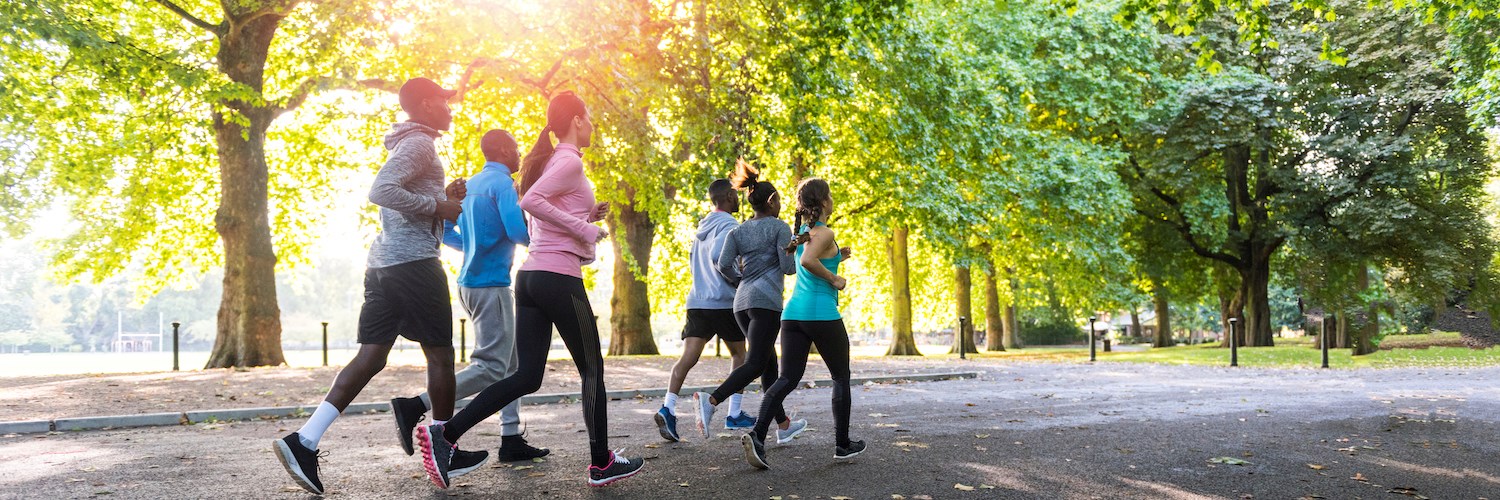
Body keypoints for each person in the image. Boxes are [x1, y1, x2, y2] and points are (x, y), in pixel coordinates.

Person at [416, 91, 644, 488]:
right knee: (592, 369)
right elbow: (533, 201)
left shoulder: (554, 161)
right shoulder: (568, 160)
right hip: (558, 278)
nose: (591, 125)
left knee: (527, 376)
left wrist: (585, 214)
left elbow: (540, 216)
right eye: (588, 117)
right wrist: (585, 228)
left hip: (532, 277)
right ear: (575, 120)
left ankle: (445, 434)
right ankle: (601, 463)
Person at [273, 78, 486, 495]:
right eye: (444, 101)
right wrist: (437, 205)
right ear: (425, 104)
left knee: (371, 357)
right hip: (414, 266)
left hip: (383, 265)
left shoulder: (410, 143)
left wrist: (442, 196)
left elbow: (406, 202)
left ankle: (304, 440)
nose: (450, 108)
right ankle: (444, 446)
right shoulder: (420, 144)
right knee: (441, 356)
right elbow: (381, 191)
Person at [389, 129, 549, 463]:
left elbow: (448, 231)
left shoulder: (472, 184)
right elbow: (518, 231)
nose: (519, 155)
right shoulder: (503, 185)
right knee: (492, 367)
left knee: (513, 366)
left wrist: (476, 247)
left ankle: (511, 439)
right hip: (491, 285)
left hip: (469, 284)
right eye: (516, 149)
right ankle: (415, 405)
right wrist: (552, 243)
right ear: (504, 150)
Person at [742, 177, 865, 470]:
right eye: (831, 196)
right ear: (823, 202)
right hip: (821, 315)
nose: (832, 201)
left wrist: (838, 259)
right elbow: (810, 262)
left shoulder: (804, 234)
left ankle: (757, 436)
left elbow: (809, 262)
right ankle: (843, 445)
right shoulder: (822, 232)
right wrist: (835, 278)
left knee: (787, 379)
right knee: (840, 377)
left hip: (793, 316)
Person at [691, 160, 805, 442]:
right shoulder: (778, 227)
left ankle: (784, 424)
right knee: (756, 362)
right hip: (765, 303)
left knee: (768, 364)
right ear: (772, 200)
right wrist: (793, 247)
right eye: (778, 199)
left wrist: (740, 277)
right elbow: (788, 269)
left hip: (741, 304)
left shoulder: (737, 230)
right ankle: (712, 401)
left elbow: (723, 264)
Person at [654, 179, 754, 442]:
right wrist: (736, 279)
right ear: (730, 196)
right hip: (722, 301)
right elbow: (720, 257)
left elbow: (696, 263)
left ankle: (668, 407)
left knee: (687, 358)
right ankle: (734, 413)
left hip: (697, 300)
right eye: (736, 195)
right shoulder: (730, 225)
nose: (738, 199)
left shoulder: (702, 228)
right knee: (740, 356)